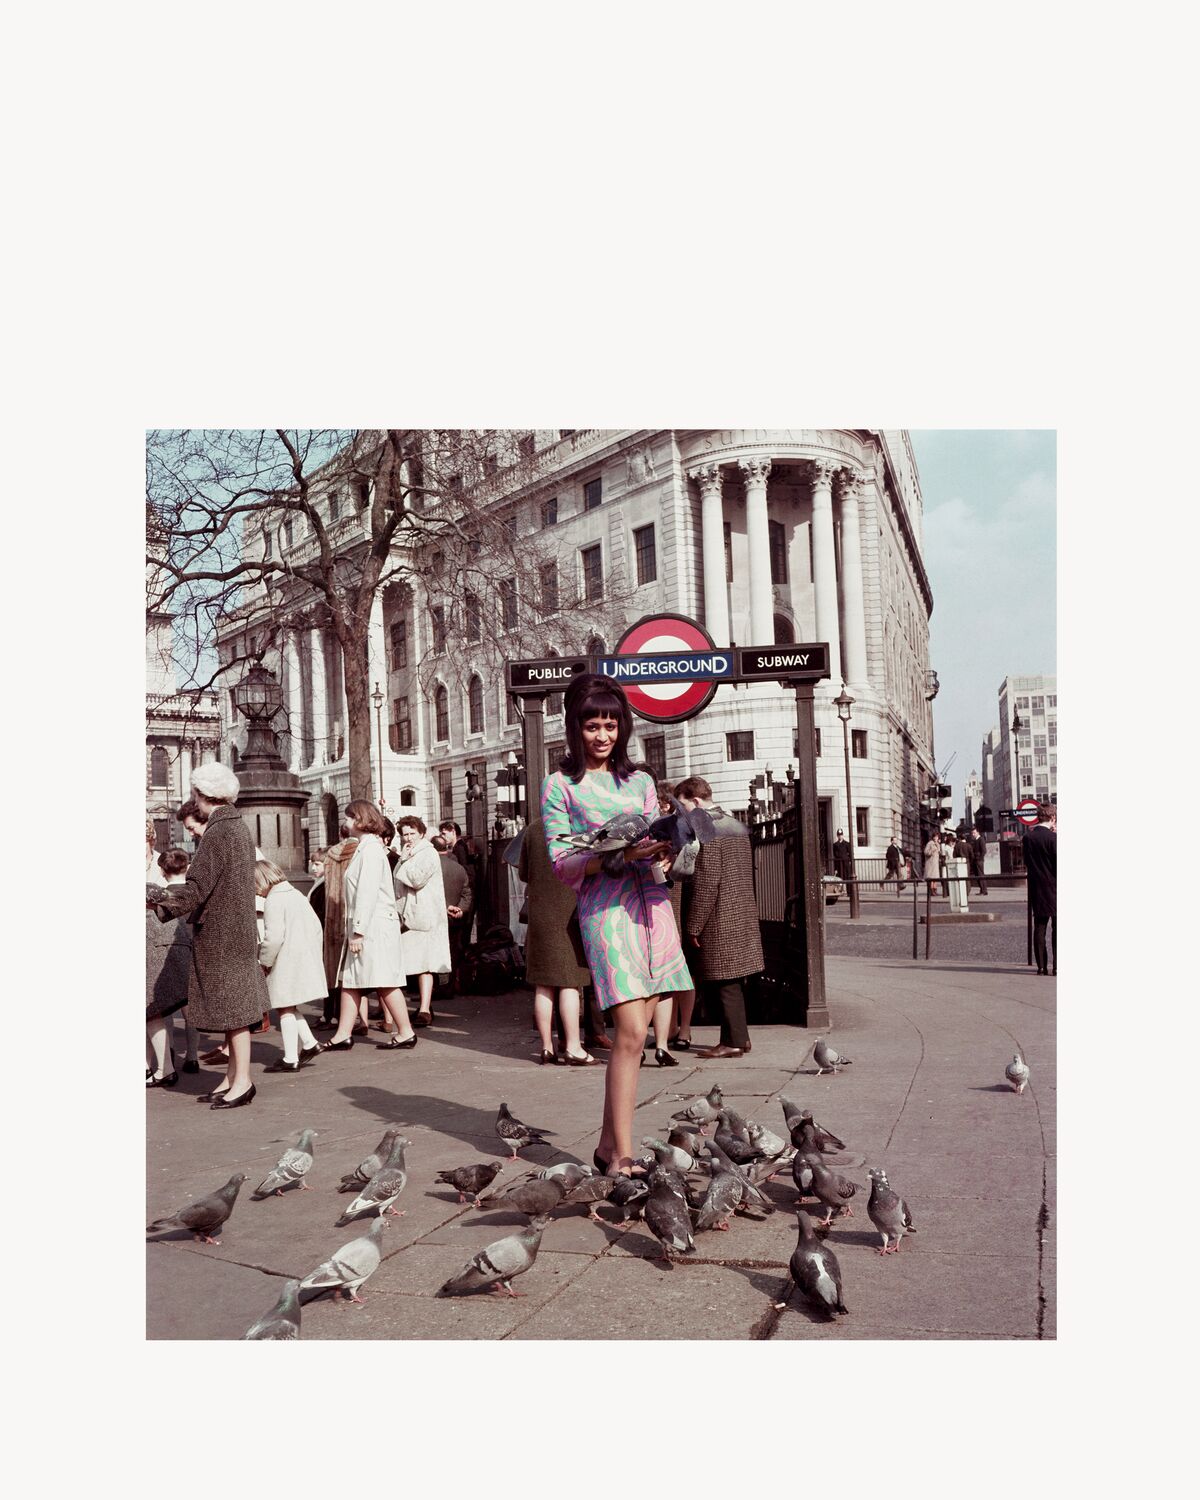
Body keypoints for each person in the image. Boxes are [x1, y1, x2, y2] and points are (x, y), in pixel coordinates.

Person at [541, 673, 692, 1178]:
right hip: (605, 910)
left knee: (640, 1031)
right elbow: (561, 861)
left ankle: (608, 1145)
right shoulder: (560, 785)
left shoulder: (642, 782)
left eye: (611, 725)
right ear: (574, 728)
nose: (603, 736)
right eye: (592, 726)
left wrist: (665, 853)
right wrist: (612, 856)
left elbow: (656, 838)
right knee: (629, 1031)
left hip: (652, 904)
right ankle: (622, 1159)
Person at [148, 763, 268, 1109]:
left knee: (234, 1011)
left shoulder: (219, 832)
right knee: (237, 1009)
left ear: (203, 795)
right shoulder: (236, 827)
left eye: (195, 795)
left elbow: (198, 887)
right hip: (236, 930)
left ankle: (241, 1082)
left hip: (221, 934)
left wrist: (159, 899)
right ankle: (232, 1079)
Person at [674, 776, 763, 1059]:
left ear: (697, 802)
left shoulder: (706, 828)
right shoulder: (733, 823)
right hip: (738, 910)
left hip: (719, 915)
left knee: (724, 982)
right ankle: (739, 1037)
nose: (682, 813)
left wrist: (693, 925)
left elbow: (707, 880)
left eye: (684, 806)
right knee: (732, 980)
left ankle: (733, 1042)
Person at [320, 801, 415, 1052]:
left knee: (382, 979)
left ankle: (405, 1032)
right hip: (370, 926)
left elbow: (367, 893)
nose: (346, 823)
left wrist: (358, 931)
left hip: (373, 927)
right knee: (354, 980)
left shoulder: (370, 851)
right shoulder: (367, 848)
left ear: (360, 820)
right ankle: (344, 1033)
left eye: (349, 818)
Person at [518, 816, 598, 1065]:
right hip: (570, 913)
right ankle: (573, 1046)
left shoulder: (533, 829)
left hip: (540, 913)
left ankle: (546, 1047)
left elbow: (523, 872)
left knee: (543, 984)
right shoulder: (581, 827)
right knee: (570, 983)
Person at [255, 859, 325, 1072]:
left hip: (286, 959)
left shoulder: (274, 900)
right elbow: (315, 927)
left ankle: (290, 1058)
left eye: (255, 886)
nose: (256, 892)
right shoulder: (295, 894)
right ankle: (310, 1043)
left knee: (284, 1007)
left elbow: (273, 938)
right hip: (303, 956)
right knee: (290, 1005)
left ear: (263, 880)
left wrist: (264, 961)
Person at [394, 815, 451, 1026]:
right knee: (415, 963)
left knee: (425, 963)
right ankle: (423, 1007)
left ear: (421, 833)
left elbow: (415, 879)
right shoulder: (409, 853)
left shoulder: (427, 853)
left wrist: (404, 859)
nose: (408, 838)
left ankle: (425, 1009)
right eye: (404, 834)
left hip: (425, 916)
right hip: (409, 916)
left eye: (412, 833)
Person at [146, 838, 191, 1087]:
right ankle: (169, 1065)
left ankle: (164, 1068)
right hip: (174, 954)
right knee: (156, 1013)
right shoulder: (180, 892)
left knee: (151, 1013)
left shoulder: (157, 897)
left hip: (155, 956)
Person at [655, 779, 695, 1053]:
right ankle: (683, 1029)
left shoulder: (667, 828)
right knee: (682, 971)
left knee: (672, 970)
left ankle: (673, 1028)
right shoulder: (683, 828)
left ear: (665, 804)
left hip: (669, 902)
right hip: (679, 901)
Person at [158, 848, 201, 1072]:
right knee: (189, 1008)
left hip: (167, 954)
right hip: (193, 952)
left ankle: (170, 1051)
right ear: (186, 867)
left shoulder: (161, 897)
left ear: (163, 871)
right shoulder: (196, 894)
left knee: (165, 1007)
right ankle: (192, 1056)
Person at [1022, 802, 1056, 976]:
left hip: (1037, 888)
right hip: (1056, 889)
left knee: (1040, 928)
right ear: (1052, 818)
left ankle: (1041, 967)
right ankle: (1057, 966)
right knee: (1057, 929)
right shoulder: (1054, 839)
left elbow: (1027, 862)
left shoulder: (1028, 838)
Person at [923, 830, 948, 897]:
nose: (936, 838)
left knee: (935, 878)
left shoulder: (938, 844)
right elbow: (926, 852)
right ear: (933, 837)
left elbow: (939, 852)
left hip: (936, 863)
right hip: (931, 863)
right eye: (935, 836)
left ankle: (935, 890)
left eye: (937, 837)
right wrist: (932, 851)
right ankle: (931, 891)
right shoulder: (930, 843)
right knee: (931, 878)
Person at [968, 827, 989, 895]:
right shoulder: (975, 840)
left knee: (980, 875)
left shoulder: (981, 839)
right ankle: (982, 889)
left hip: (979, 860)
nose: (973, 834)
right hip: (976, 860)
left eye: (974, 833)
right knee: (977, 875)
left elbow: (984, 850)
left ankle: (984, 890)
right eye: (972, 833)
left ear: (978, 832)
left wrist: (980, 858)